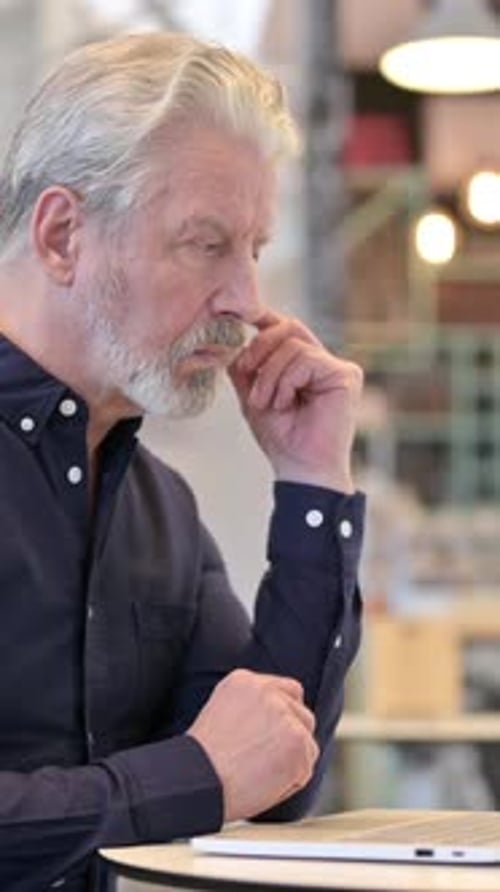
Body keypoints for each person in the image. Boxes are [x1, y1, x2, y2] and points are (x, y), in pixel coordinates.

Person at [0, 30, 364, 892]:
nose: (246, 301)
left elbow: (274, 779)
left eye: (255, 250)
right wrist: (193, 776)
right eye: (206, 244)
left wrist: (313, 483)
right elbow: (215, 772)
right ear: (61, 237)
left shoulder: (156, 507)